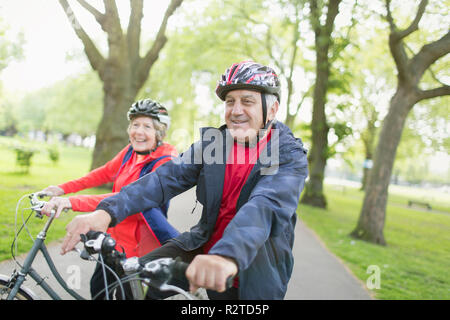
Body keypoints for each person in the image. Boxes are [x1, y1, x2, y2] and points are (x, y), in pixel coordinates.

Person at [60, 61, 308, 300]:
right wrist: (105, 212)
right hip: (202, 246)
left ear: (272, 109)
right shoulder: (216, 144)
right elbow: (164, 179)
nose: (236, 110)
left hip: (252, 267)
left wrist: (225, 256)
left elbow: (263, 208)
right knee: (132, 277)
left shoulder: (284, 153)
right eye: (230, 101)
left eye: (248, 101)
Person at [40, 99, 179, 299]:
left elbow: (127, 197)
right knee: (98, 290)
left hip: (137, 249)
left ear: (159, 132)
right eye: (135, 125)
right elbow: (103, 173)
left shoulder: (165, 162)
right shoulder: (131, 151)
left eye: (147, 126)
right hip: (112, 241)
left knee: (125, 296)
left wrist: (73, 202)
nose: (138, 131)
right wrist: (62, 189)